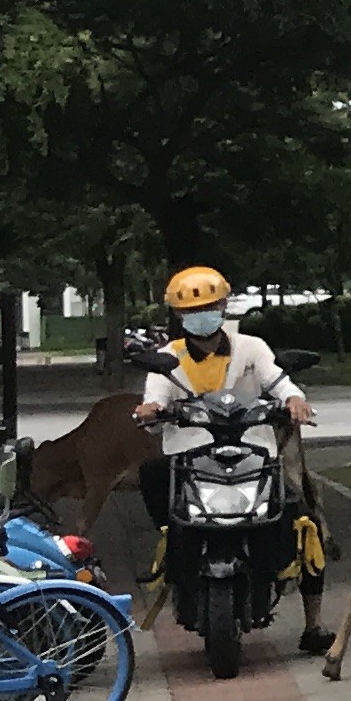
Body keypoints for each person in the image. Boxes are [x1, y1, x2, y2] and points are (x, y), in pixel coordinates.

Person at [141, 265, 325, 649]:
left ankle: (314, 625)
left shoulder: (252, 348)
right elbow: (155, 399)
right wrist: (150, 411)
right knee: (154, 478)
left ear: (224, 305)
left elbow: (279, 381)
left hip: (253, 456)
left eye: (209, 306)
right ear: (177, 315)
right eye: (190, 310)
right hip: (190, 460)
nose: (201, 316)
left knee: (302, 519)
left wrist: (293, 399)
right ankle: (172, 559)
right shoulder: (167, 358)